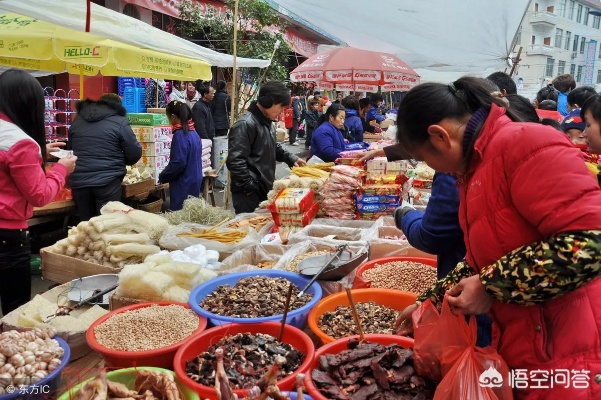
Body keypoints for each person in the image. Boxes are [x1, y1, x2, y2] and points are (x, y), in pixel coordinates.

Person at [394, 76, 601, 400]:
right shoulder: (476, 167)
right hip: (525, 343)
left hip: (570, 351)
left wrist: (491, 285)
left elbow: (591, 243)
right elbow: (484, 259)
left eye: (425, 159)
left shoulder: (524, 144)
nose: (434, 169)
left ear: (439, 136)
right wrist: (430, 301)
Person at [0, 69, 77, 314]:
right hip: (8, 236)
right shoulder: (20, 142)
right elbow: (40, 195)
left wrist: (39, 154)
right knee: (15, 309)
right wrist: (61, 170)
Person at [227, 81, 306, 214]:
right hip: (249, 194)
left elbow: (272, 145)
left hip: (264, 188)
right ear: (267, 102)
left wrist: (291, 158)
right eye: (280, 107)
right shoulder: (245, 124)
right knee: (251, 231)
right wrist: (250, 186)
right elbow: (235, 161)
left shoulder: (266, 122)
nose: (281, 112)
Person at [68, 94, 142, 221]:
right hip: (108, 182)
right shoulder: (120, 121)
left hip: (79, 183)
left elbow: (71, 150)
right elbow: (134, 153)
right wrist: (121, 161)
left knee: (87, 226)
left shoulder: (77, 121)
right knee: (107, 225)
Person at [158, 101, 202, 211]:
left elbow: (178, 163)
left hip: (184, 182)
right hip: (195, 178)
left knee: (181, 216)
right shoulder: (194, 132)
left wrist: (163, 176)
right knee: (191, 214)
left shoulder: (180, 135)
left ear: (173, 117)